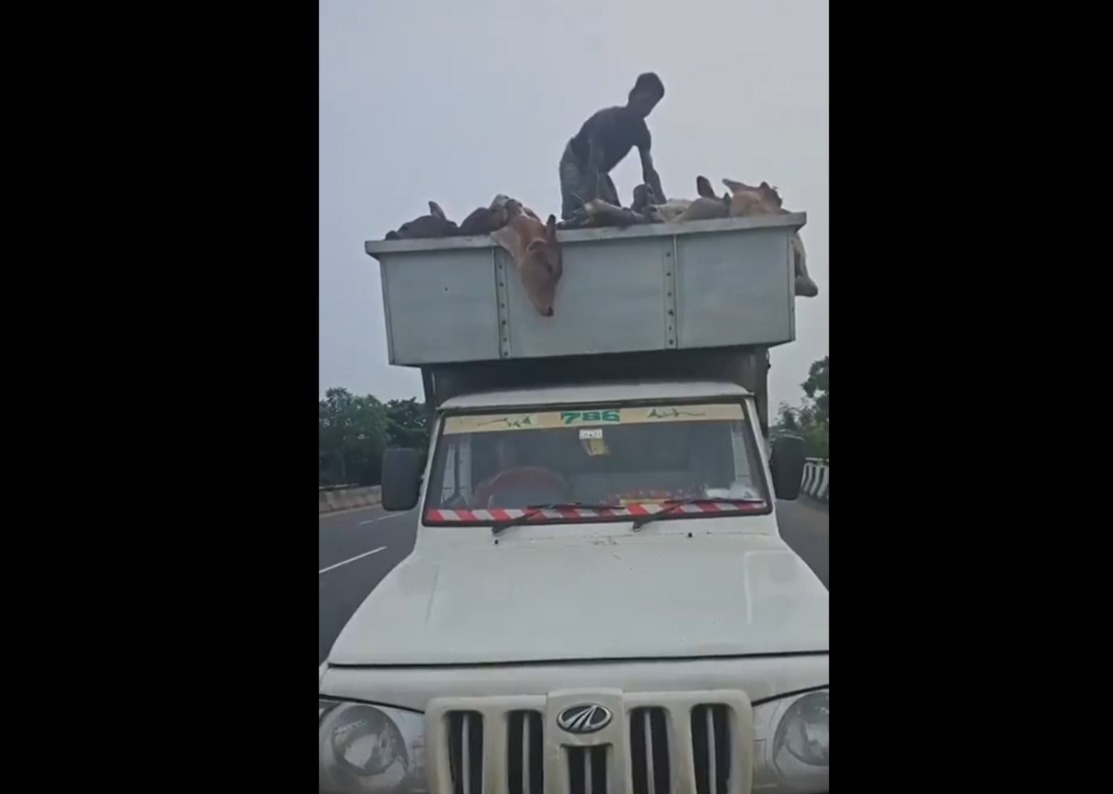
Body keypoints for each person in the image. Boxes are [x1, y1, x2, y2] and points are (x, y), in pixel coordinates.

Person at [559, 72, 667, 221]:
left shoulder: (642, 134)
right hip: (576, 161)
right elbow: (593, 165)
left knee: (610, 211)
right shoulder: (606, 121)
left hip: (600, 171)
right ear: (632, 95)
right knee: (576, 210)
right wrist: (591, 205)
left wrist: (663, 206)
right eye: (644, 101)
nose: (646, 109)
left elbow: (649, 172)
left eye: (651, 105)